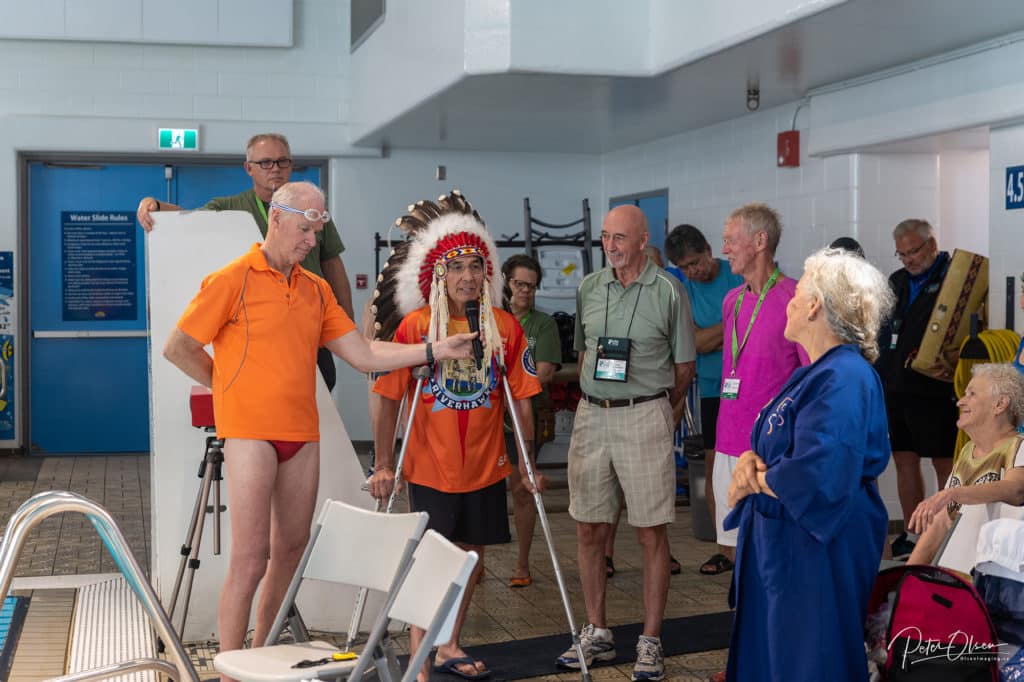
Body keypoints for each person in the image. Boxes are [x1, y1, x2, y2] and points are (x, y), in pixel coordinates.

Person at [162, 182, 476, 680]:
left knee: (289, 550)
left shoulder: (314, 289)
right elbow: (178, 347)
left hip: (300, 434)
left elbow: (364, 355)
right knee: (250, 558)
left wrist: (436, 349)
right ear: (277, 219)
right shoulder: (233, 278)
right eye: (305, 230)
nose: (313, 241)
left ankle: (259, 657)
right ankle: (229, 671)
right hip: (250, 433)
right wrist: (228, 392)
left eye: (318, 230)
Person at [369, 191, 542, 682]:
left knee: (470, 559)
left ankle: (448, 644)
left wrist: (526, 465)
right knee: (430, 559)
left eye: (475, 266)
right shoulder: (416, 328)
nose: (467, 276)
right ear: (439, 275)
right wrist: (384, 464)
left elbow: (523, 398)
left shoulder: (504, 326)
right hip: (429, 465)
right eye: (456, 266)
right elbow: (387, 397)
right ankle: (421, 653)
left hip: (486, 466)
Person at [724, 247, 895, 681]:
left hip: (816, 544)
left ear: (816, 305)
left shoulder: (845, 377)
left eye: (797, 292)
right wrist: (749, 459)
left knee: (809, 658)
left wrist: (752, 480)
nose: (791, 301)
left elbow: (820, 469)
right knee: (776, 654)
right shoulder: (815, 372)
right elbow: (774, 441)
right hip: (783, 542)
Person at [555, 204, 696, 682]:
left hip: (644, 413)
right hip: (593, 415)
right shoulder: (590, 287)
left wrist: (657, 410)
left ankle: (650, 641)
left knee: (650, 531)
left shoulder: (669, 291)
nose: (611, 247)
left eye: (620, 238)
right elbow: (583, 352)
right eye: (605, 238)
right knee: (589, 528)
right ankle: (597, 629)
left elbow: (684, 369)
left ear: (642, 240)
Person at [139, 132, 353, 391]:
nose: (275, 168)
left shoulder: (311, 213)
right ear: (249, 168)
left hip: (311, 331)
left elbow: (333, 266)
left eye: (282, 161)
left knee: (319, 411)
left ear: (291, 165)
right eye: (265, 162)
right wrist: (156, 206)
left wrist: (347, 325)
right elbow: (191, 219)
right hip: (261, 336)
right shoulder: (232, 207)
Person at [712, 204, 805, 577]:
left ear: (759, 241)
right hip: (728, 439)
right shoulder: (731, 300)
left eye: (731, 241)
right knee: (734, 548)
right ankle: (749, 628)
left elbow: (814, 379)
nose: (725, 250)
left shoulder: (796, 299)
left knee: (775, 551)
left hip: (772, 449)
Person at [663, 223, 744, 575]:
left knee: (752, 466)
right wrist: (733, 327)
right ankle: (725, 550)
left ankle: (753, 547)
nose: (693, 271)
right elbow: (694, 343)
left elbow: (758, 325)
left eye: (696, 262)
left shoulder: (737, 274)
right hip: (713, 388)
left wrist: (713, 336)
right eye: (685, 267)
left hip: (751, 387)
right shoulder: (683, 289)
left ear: (710, 250)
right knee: (716, 470)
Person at [876, 219, 958, 559]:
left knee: (945, 463)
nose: (909, 259)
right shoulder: (896, 282)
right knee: (904, 459)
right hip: (896, 386)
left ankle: (948, 534)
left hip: (935, 389)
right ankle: (914, 532)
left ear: (932, 244)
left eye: (914, 251)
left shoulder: (954, 279)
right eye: (902, 253)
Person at [907, 363, 1024, 565]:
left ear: (1000, 404)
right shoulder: (968, 451)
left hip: (992, 588)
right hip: (957, 585)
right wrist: (907, 577)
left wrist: (952, 493)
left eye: (972, 394)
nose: (960, 402)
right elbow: (942, 521)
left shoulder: (1019, 446)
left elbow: (1016, 490)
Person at [500, 254, 559, 588]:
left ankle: (522, 563)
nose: (525, 292)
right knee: (484, 490)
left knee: (522, 487)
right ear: (506, 283)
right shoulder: (489, 316)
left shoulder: (542, 324)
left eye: (532, 287)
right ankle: (475, 563)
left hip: (522, 416)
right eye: (520, 284)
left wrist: (512, 379)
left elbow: (545, 371)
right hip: (485, 416)